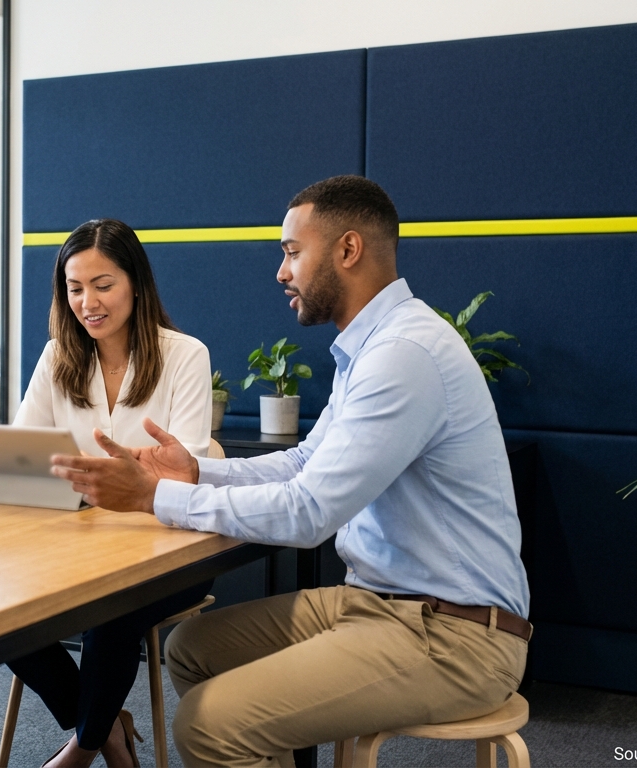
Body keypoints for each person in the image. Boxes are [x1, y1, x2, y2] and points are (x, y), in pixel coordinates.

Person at [49, 176, 531, 767]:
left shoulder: (403, 354)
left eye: (292, 252)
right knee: (193, 648)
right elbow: (306, 461)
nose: (282, 272)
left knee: (207, 727)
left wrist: (156, 497)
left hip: (455, 636)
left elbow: (309, 512)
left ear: (348, 250)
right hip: (380, 604)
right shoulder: (373, 347)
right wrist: (196, 472)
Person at [10, 218, 215, 768]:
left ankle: (82, 748)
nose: (87, 302)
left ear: (136, 284)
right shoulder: (59, 357)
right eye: (75, 288)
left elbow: (184, 468)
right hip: (76, 547)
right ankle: (104, 728)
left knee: (114, 609)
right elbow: (19, 454)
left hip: (170, 549)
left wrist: (121, 485)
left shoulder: (184, 355)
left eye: (103, 284)